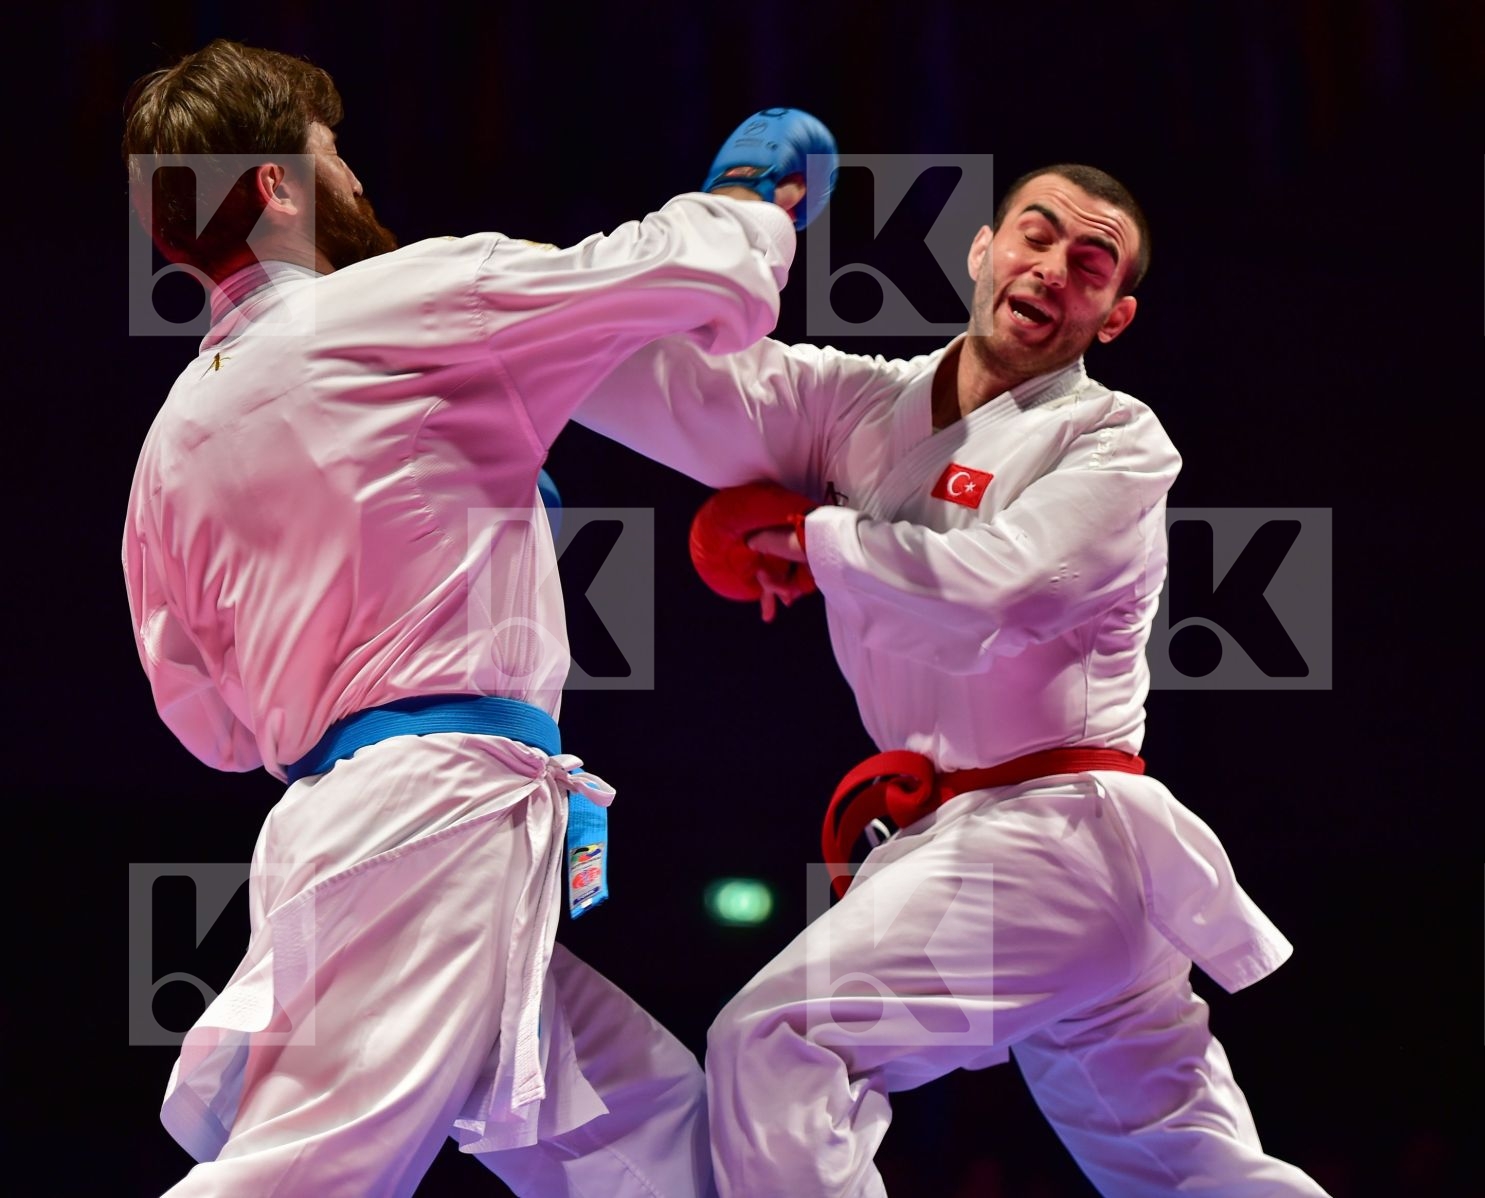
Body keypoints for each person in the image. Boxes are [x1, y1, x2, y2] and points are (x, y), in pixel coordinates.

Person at [120, 38, 832, 1197]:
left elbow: (214, 724)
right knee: (311, 1173)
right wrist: (746, 204)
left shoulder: (171, 444)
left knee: (662, 1144)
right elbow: (678, 279)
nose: (353, 177)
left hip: (345, 824)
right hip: (431, 814)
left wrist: (399, 562)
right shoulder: (400, 301)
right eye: (331, 152)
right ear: (276, 185)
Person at [568, 164, 1332, 1195]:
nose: (1055, 268)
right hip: (1024, 859)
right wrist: (675, 241)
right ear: (983, 252)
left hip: (1050, 835)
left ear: (1114, 316)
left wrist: (813, 539)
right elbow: (661, 385)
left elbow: (999, 590)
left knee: (781, 1039)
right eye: (1037, 235)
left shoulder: (1113, 439)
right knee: (1192, 1172)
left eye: (1091, 264)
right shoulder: (859, 404)